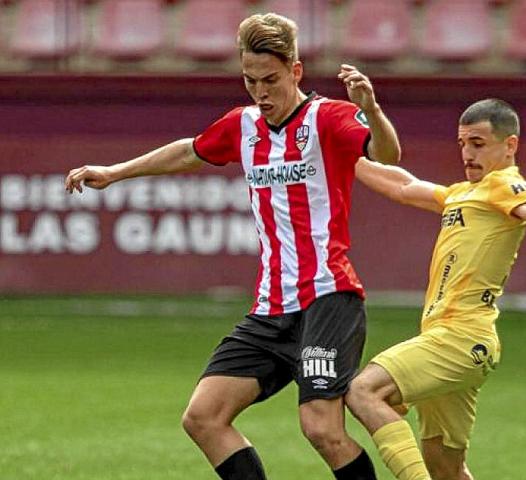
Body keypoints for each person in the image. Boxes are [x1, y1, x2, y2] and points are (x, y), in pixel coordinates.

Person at [64, 13, 400, 480]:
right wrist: (115, 172)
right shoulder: (242, 126)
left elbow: (387, 154)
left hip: (329, 298)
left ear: (295, 72)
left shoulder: (328, 118)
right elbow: (189, 151)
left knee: (320, 427)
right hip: (271, 307)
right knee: (203, 418)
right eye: (249, 80)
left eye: (270, 80)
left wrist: (374, 109)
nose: (260, 92)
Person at [346, 98, 526, 480]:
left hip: (459, 339)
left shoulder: (505, 184)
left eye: (478, 143)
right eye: (462, 143)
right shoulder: (462, 193)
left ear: (509, 145)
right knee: (446, 469)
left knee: (364, 391)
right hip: (452, 340)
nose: (467, 153)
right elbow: (404, 185)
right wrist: (343, 155)